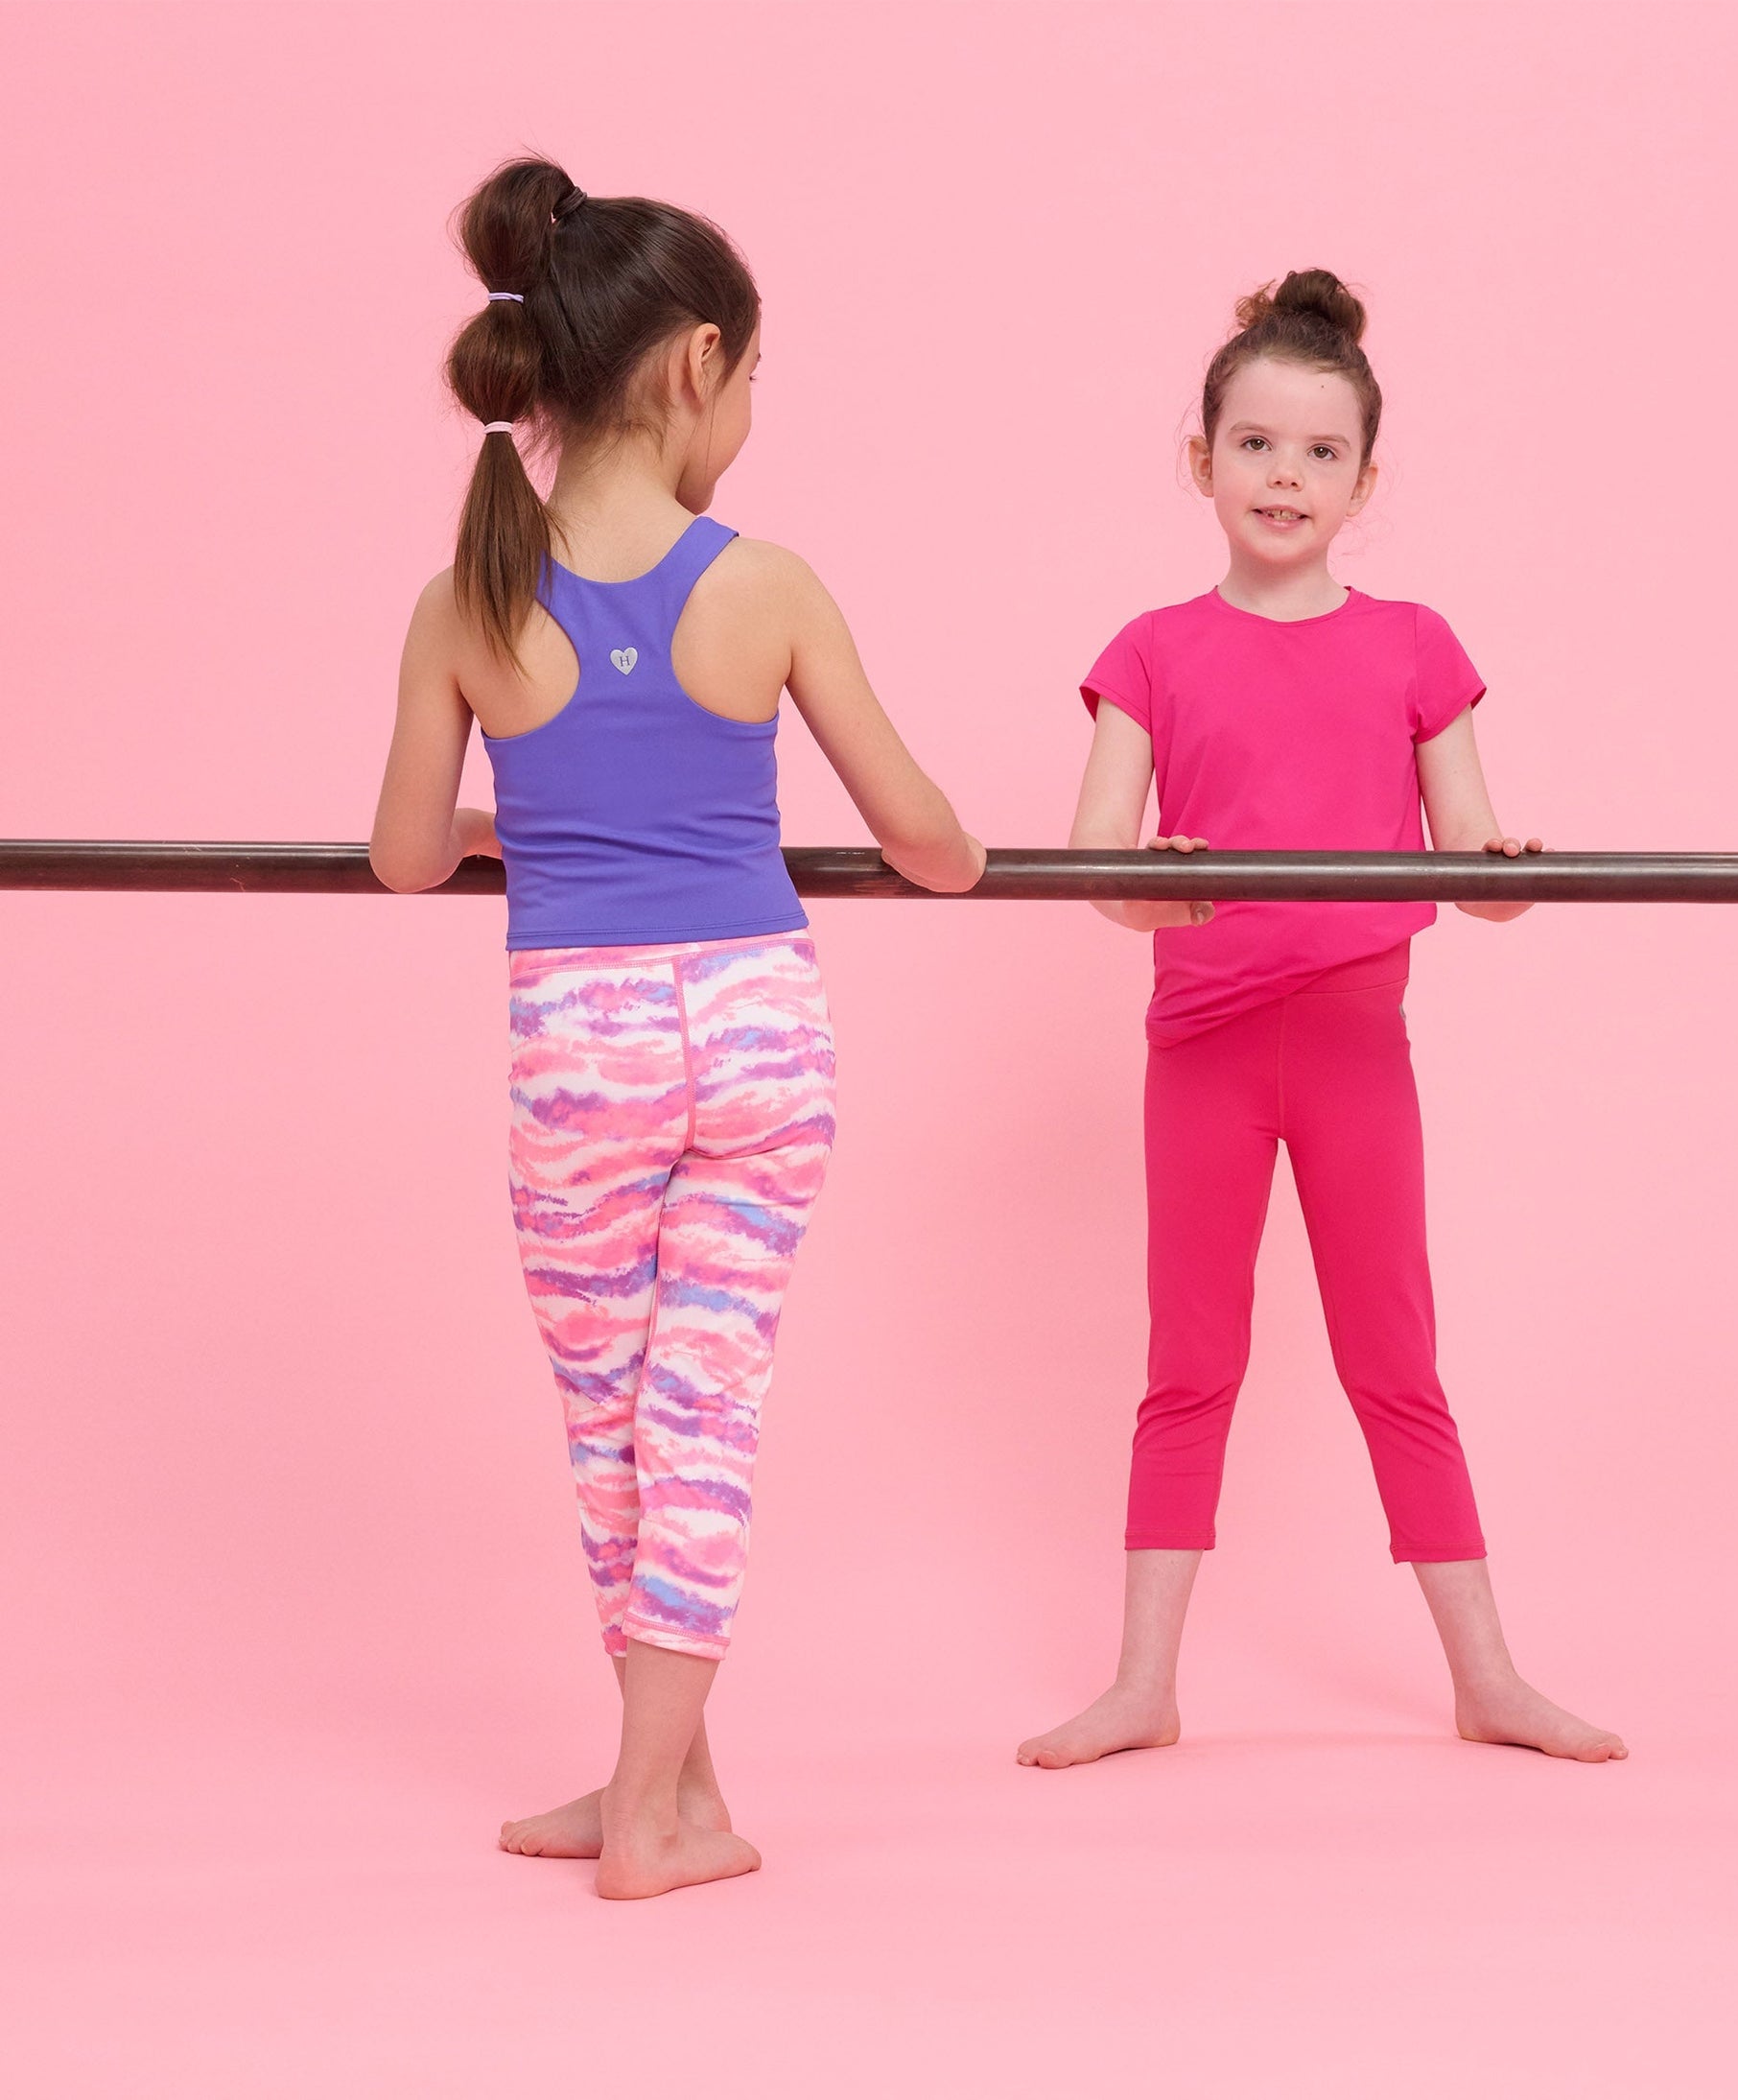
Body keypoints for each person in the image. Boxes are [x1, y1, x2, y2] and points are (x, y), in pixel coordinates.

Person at [370, 157, 983, 1897]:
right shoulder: (765, 582)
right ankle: (664, 1799)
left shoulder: (465, 598)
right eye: (755, 379)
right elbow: (925, 840)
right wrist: (969, 849)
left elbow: (410, 857)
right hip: (756, 1025)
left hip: (584, 1042)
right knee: (701, 1409)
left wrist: (523, 822)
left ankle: (649, 1791)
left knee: (611, 1419)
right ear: (697, 362)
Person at [1018, 271, 1624, 1771]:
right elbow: (1103, 878)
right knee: (1191, 1359)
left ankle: (1486, 1675)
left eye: (1316, 452)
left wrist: (1508, 870)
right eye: (1253, 445)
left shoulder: (1415, 642)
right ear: (1201, 458)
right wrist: (1152, 881)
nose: (1282, 476)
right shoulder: (1149, 650)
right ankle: (1141, 1681)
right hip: (1205, 1052)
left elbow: (1474, 865)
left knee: (1392, 1357)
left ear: (1364, 479)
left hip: (1356, 1048)